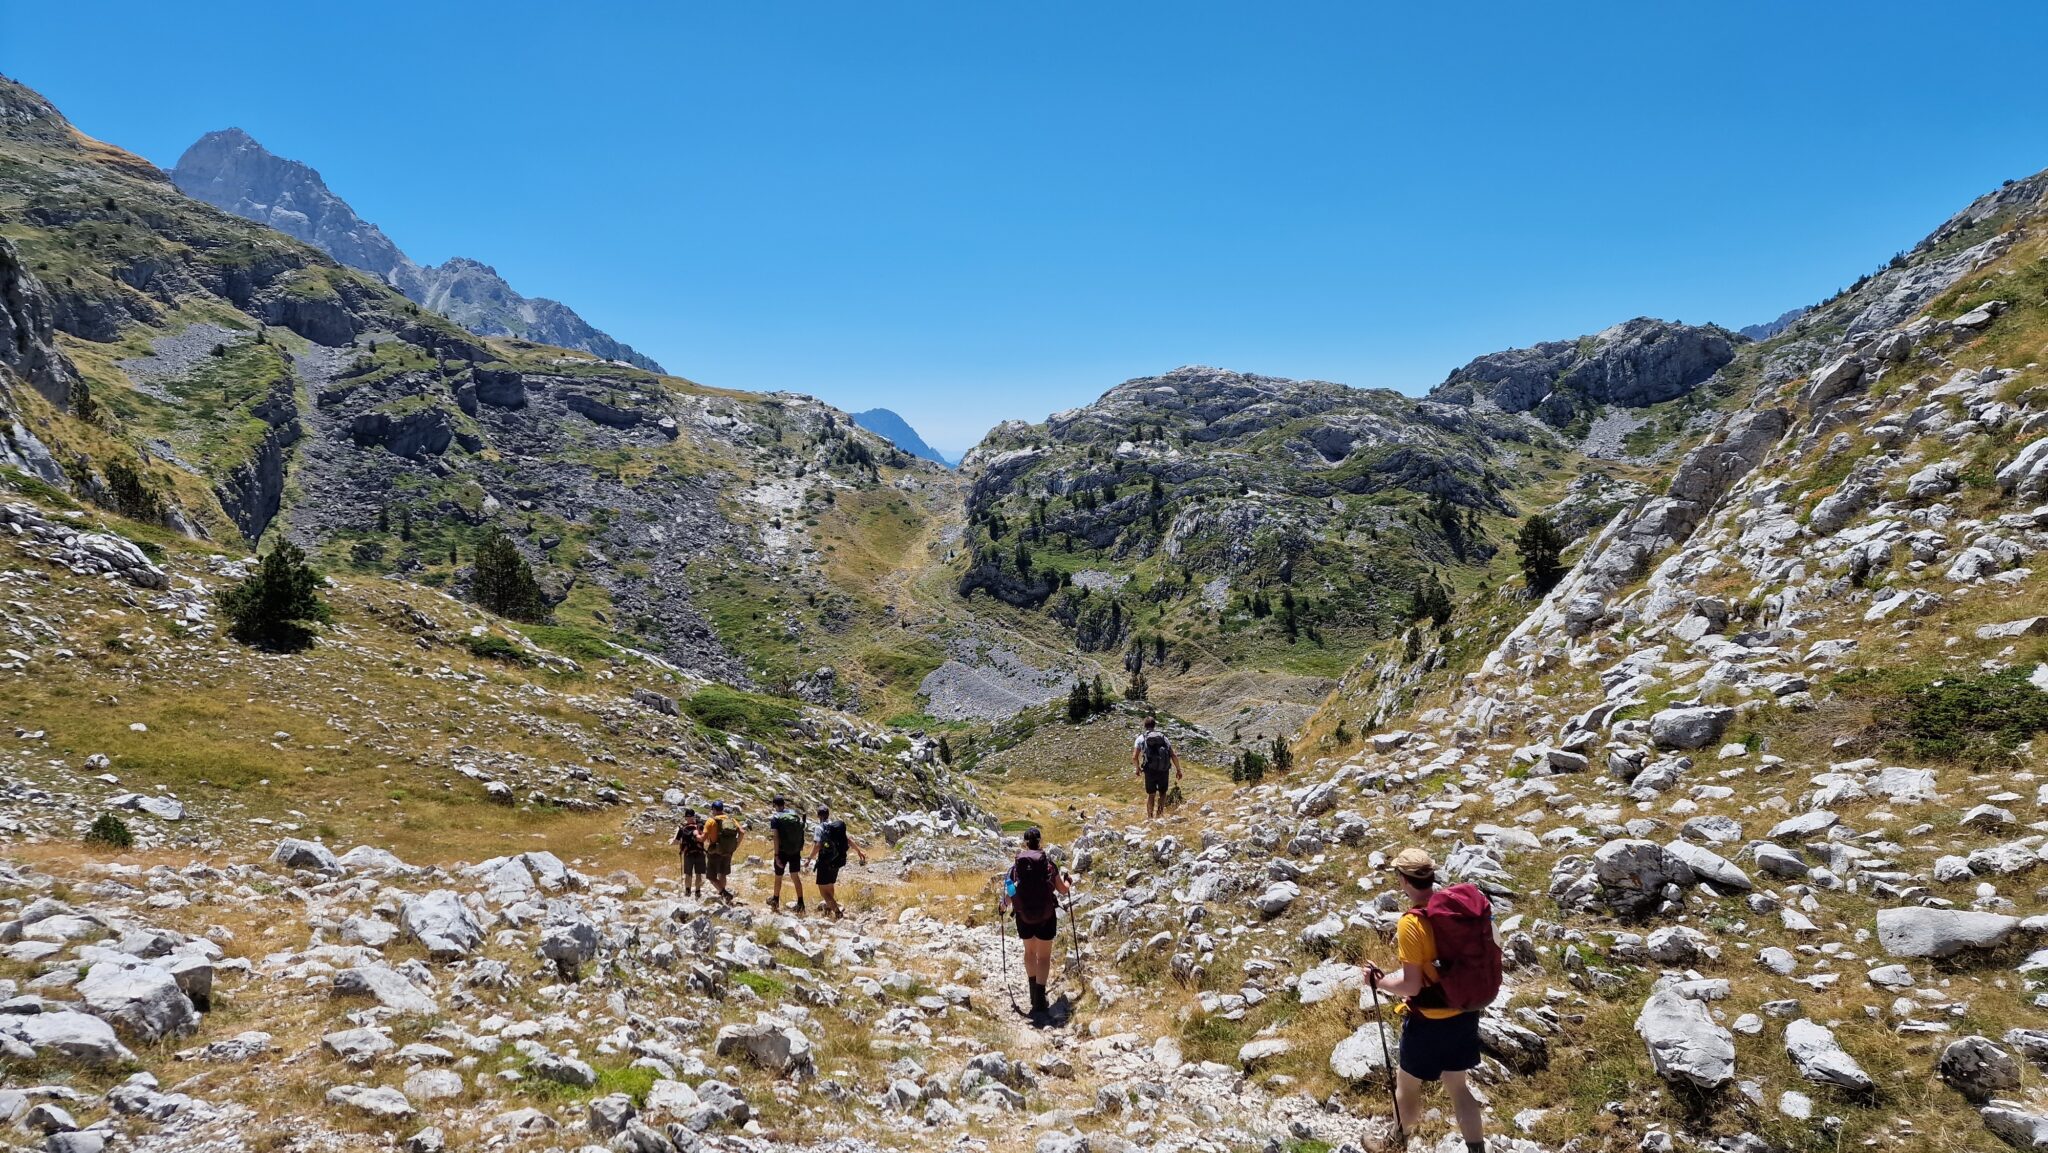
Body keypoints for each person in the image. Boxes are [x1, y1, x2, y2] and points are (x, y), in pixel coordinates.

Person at [1364, 848, 1487, 1153]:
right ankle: (1477, 1150)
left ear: (1403, 880)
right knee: (1459, 1088)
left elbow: (1412, 985)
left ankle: (1394, 1142)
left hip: (1427, 1022)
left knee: (1406, 1089)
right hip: (1463, 1010)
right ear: (1432, 876)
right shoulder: (1456, 910)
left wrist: (1378, 982)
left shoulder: (1411, 923)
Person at [1002, 826, 1070, 1018]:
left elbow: (1011, 892)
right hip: (1046, 916)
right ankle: (1040, 998)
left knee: (1029, 952)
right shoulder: (1049, 865)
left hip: (1024, 916)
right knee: (1044, 956)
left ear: (1024, 843)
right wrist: (1068, 882)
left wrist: (1004, 904)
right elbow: (1062, 891)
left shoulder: (1016, 867)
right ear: (1040, 842)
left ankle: (1033, 992)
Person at [805, 804, 868, 920]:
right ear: (828, 814)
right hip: (837, 861)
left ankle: (837, 912)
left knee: (823, 891)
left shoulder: (820, 828)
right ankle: (828, 909)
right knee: (830, 885)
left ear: (818, 816)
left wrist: (809, 858)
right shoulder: (835, 826)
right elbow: (848, 840)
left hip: (825, 862)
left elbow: (818, 845)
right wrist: (859, 851)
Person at [1132, 715, 1183, 820]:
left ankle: (1150, 818)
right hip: (1163, 770)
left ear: (1145, 726)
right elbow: (1173, 755)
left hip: (1149, 770)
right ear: (1154, 725)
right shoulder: (1163, 737)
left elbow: (1134, 757)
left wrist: (1138, 769)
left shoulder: (1141, 738)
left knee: (1151, 794)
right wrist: (1178, 770)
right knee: (1163, 793)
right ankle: (1159, 815)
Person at [766, 796, 807, 914]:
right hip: (795, 850)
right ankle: (801, 903)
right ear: (784, 804)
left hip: (782, 852)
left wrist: (776, 855)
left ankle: (775, 900)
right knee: (795, 876)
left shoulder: (775, 818)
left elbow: (776, 837)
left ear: (774, 805)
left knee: (778, 877)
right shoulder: (793, 813)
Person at [700, 800, 744, 905]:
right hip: (728, 851)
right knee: (722, 873)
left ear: (714, 810)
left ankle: (724, 893)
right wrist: (736, 845)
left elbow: (703, 839)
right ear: (722, 809)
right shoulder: (731, 819)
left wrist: (696, 835)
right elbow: (742, 832)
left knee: (711, 876)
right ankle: (723, 895)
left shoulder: (711, 821)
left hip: (715, 850)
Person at [673, 807, 707, 898]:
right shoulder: (700, 826)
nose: (689, 818)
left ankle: (688, 891)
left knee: (688, 873)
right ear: (694, 816)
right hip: (699, 852)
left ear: (686, 817)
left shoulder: (682, 828)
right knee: (698, 873)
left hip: (688, 853)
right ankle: (697, 891)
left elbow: (676, 841)